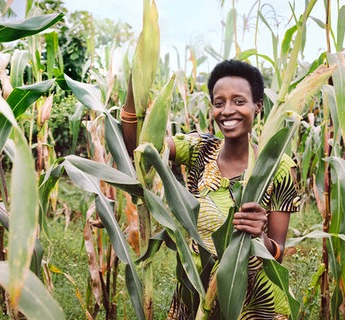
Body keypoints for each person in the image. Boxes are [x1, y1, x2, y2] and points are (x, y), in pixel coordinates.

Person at [121, 59, 300, 319]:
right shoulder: (199, 149)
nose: (227, 110)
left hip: (254, 304)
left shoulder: (277, 166)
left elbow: (278, 253)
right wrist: (134, 85)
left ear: (257, 106)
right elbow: (140, 147)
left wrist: (259, 237)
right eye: (219, 103)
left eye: (239, 101)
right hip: (197, 288)